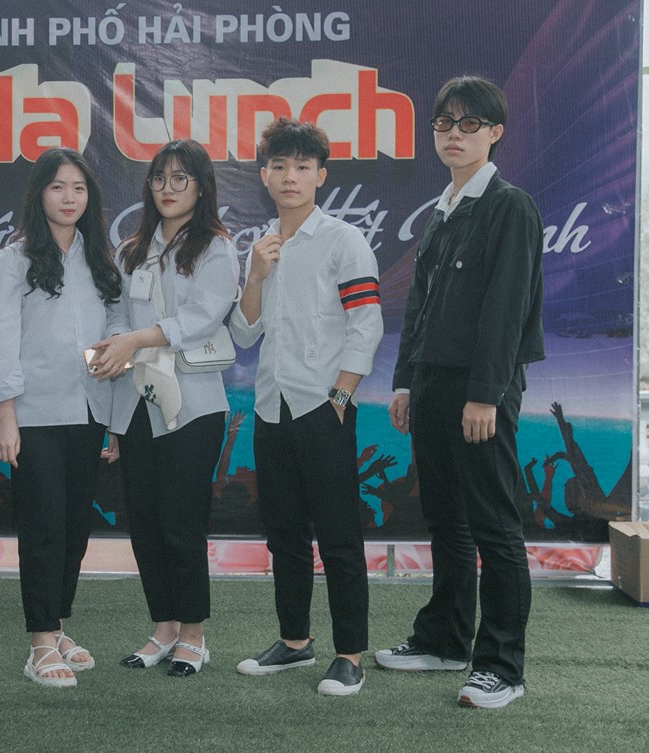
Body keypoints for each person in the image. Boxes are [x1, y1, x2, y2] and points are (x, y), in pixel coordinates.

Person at [376, 75, 545, 710]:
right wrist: (404, 381)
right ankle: (445, 641)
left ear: (495, 133)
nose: (454, 134)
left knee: (494, 526)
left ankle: (501, 666)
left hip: (480, 391)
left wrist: (485, 395)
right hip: (431, 385)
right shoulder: (443, 209)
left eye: (469, 124)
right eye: (444, 123)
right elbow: (419, 308)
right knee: (446, 519)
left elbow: (507, 310)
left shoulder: (509, 207)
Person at [229, 118, 382, 696]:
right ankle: (295, 642)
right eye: (279, 166)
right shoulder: (262, 246)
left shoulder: (344, 240)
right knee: (284, 535)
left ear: (321, 174)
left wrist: (340, 396)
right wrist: (256, 274)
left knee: (339, 537)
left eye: (301, 166)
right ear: (264, 175)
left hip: (325, 409)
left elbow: (366, 325)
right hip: (271, 408)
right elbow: (244, 334)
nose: (290, 177)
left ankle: (349, 656)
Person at [90, 139, 240, 677]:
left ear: (201, 186)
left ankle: (193, 635)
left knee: (181, 521)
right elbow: (113, 313)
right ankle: (163, 629)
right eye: (159, 178)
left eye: (181, 179)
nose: (168, 188)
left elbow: (200, 319)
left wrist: (134, 340)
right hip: (135, 401)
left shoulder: (216, 248)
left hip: (193, 405)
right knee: (145, 522)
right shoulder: (132, 249)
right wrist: (118, 342)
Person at [0, 148, 122, 688]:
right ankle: (40, 642)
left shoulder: (100, 260)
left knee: (73, 531)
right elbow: (1, 342)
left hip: (89, 411)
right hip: (34, 415)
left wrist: (113, 419)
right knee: (43, 528)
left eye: (79, 188)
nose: (69, 198)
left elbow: (111, 340)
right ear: (39, 193)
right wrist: (6, 417)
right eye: (58, 187)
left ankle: (58, 625)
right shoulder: (12, 260)